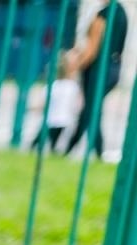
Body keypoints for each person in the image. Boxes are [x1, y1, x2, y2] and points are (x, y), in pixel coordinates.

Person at [63, 0, 128, 157]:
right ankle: (92, 149)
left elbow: (92, 48)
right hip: (114, 67)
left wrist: (74, 66)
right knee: (93, 110)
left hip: (98, 70)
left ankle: (74, 147)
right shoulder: (122, 12)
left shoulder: (103, 14)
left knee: (91, 110)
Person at [35, 53, 84, 152]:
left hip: (50, 119)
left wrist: (35, 109)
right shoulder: (72, 86)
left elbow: (43, 103)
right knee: (55, 140)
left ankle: (36, 148)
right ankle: (54, 150)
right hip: (65, 119)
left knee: (41, 138)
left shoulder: (52, 86)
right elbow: (79, 102)